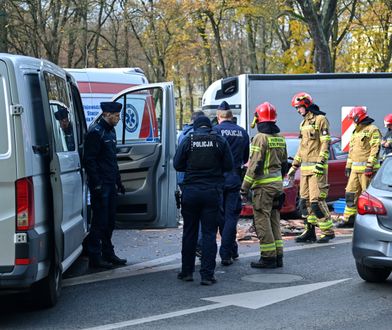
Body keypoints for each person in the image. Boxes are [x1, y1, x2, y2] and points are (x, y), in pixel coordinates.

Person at [174, 115, 233, 285]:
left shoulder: (188, 140)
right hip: (212, 192)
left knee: (189, 232)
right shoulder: (219, 141)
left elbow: (177, 164)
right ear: (209, 127)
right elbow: (229, 166)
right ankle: (207, 275)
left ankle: (187, 272)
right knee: (208, 233)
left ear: (196, 127)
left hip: (191, 191)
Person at [240, 102, 288, 268]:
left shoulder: (260, 138)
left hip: (263, 188)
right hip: (277, 186)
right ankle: (278, 255)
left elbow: (254, 165)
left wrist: (244, 188)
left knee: (262, 221)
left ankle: (268, 257)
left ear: (259, 119)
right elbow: (284, 164)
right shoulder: (280, 138)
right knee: (274, 219)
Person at [83, 101, 127, 269]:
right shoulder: (96, 133)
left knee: (109, 221)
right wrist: (97, 185)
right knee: (99, 222)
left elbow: (111, 160)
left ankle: (108, 253)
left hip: (110, 183)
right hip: (101, 185)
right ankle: (95, 257)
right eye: (116, 116)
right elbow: (89, 160)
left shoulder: (111, 132)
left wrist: (119, 181)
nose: (118, 119)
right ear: (106, 114)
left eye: (118, 116)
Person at [288, 92, 335, 243]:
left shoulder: (320, 120)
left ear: (306, 104)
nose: (297, 110)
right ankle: (310, 231)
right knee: (304, 202)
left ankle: (328, 231)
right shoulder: (303, 124)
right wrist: (294, 167)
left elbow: (325, 143)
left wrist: (321, 162)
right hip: (305, 170)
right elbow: (302, 148)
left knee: (316, 202)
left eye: (299, 107)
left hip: (317, 169)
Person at [213, 101, 249, 266]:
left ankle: (227, 251)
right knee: (231, 217)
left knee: (220, 216)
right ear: (232, 116)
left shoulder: (215, 131)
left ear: (218, 117)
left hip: (218, 179)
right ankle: (228, 252)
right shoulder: (242, 132)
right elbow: (246, 158)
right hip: (234, 178)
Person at [337, 106, 381, 228]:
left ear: (358, 117)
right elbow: (352, 151)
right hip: (355, 171)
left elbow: (375, 149)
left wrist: (369, 166)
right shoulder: (356, 131)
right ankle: (349, 219)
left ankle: (370, 222)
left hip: (367, 171)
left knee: (367, 197)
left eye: (353, 118)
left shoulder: (372, 130)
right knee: (350, 193)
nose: (352, 121)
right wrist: (348, 165)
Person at [176, 110, 205, 257]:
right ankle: (199, 245)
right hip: (193, 180)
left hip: (183, 180)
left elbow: (177, 161)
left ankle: (190, 251)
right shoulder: (193, 136)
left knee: (189, 217)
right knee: (199, 216)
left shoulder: (183, 135)